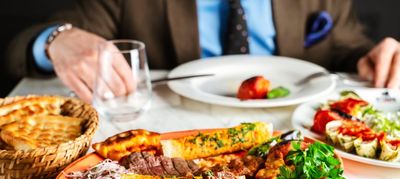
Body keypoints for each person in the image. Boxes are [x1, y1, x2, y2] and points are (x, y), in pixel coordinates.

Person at [6, 0, 400, 103]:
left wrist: (374, 58)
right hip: (173, 125)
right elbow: (20, 45)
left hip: (295, 130)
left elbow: (350, 47)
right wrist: (56, 39)